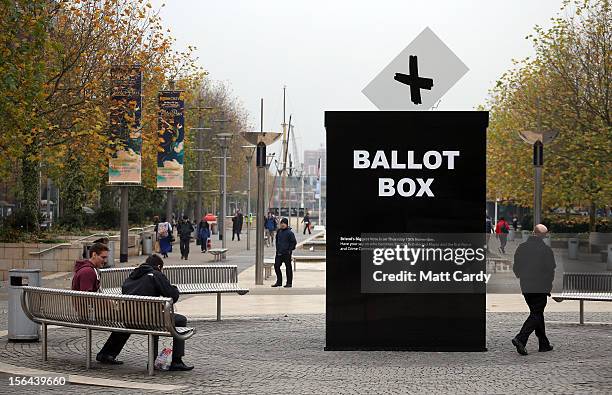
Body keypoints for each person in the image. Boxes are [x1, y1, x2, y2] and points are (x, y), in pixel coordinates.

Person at [96, 255, 194, 370]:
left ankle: (106, 353)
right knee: (180, 320)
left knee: (135, 316)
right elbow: (172, 295)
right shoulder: (156, 274)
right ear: (158, 266)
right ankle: (176, 361)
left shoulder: (132, 276)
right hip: (149, 320)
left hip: (128, 319)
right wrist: (174, 288)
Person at [511, 224, 556, 356]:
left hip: (526, 286)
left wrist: (521, 276)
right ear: (544, 236)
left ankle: (544, 344)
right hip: (540, 287)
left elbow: (516, 266)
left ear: (532, 232)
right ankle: (521, 338)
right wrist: (548, 286)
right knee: (536, 314)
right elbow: (550, 270)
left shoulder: (522, 248)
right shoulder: (546, 250)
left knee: (537, 313)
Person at [272, 218, 297, 288]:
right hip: (279, 253)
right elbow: (277, 241)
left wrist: (289, 250)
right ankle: (279, 282)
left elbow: (294, 243)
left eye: (284, 223)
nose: (282, 224)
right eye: (281, 223)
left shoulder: (290, 233)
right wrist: (277, 250)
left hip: (287, 253)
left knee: (288, 268)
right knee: (276, 266)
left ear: (286, 224)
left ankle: (289, 283)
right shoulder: (279, 232)